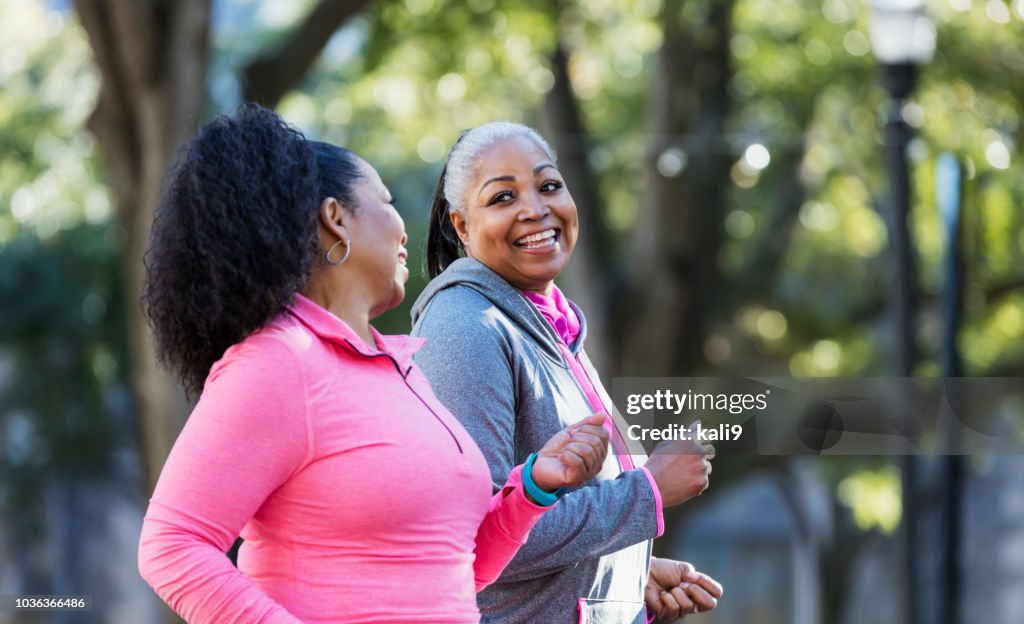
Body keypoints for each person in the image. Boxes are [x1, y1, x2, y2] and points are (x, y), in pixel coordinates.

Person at [136, 105, 611, 624]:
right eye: (385, 202)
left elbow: (453, 567)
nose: (404, 229)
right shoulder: (278, 362)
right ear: (336, 219)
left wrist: (535, 487)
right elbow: (172, 545)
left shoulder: (400, 368)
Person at [411, 121, 724, 623]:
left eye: (548, 185)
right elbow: (477, 536)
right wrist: (646, 492)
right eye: (502, 197)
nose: (535, 209)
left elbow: (554, 521)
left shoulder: (548, 322)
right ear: (462, 226)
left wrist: (627, 573)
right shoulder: (466, 326)